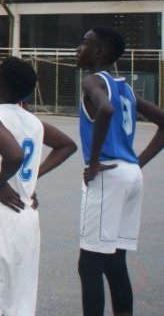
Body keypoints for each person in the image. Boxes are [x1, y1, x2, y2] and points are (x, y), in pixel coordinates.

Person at [0, 57, 77, 315]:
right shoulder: (32, 121)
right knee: (19, 304)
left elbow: (15, 155)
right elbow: (67, 145)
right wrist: (29, 180)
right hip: (27, 219)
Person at [75, 26, 164, 316]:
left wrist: (95, 160)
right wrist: (137, 162)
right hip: (129, 174)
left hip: (108, 175)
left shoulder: (92, 81)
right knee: (115, 261)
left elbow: (106, 110)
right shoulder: (125, 88)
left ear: (99, 52)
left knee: (89, 264)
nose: (79, 48)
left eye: (85, 43)